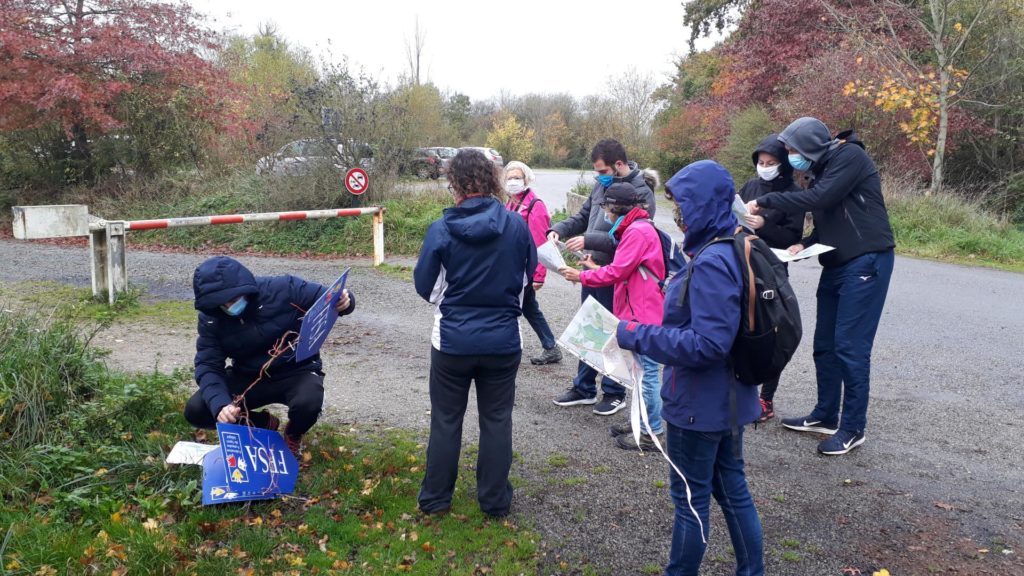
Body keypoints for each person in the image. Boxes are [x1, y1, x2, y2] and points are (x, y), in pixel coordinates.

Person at [618, 160, 764, 576]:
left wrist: (636, 334)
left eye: (683, 203)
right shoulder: (733, 244)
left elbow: (708, 344)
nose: (678, 213)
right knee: (732, 490)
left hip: (700, 403)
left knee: (691, 500)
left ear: (703, 204)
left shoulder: (714, 259)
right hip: (729, 397)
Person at [747, 117, 895, 455]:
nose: (791, 157)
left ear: (810, 146)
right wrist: (806, 242)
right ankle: (826, 415)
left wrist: (766, 201)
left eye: (792, 150)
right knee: (825, 345)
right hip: (836, 262)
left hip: (867, 261)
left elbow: (821, 197)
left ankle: (853, 428)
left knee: (851, 347)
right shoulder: (822, 169)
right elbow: (830, 219)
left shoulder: (850, 156)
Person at [413, 148, 536, 518]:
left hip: (453, 341)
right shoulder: (516, 226)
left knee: (446, 420)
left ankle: (436, 499)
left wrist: (454, 301)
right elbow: (526, 281)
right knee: (497, 420)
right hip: (502, 340)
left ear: (455, 183)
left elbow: (427, 288)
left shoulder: (441, 229)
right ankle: (495, 502)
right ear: (493, 179)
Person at [185, 256, 354, 456]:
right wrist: (221, 405)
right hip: (249, 377)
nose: (229, 307)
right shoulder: (211, 319)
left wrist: (346, 301)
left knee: (309, 402)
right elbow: (208, 365)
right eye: (223, 304)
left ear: (245, 289)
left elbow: (328, 298)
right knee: (198, 409)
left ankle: (293, 433)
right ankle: (261, 424)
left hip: (296, 370)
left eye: (233, 300)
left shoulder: (284, 288)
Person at [547, 138, 656, 416]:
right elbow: (583, 216)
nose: (599, 177)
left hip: (615, 275)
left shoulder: (641, 192)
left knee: (613, 331)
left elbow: (630, 239)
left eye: (603, 171)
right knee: (589, 327)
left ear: (618, 164)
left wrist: (589, 240)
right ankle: (584, 387)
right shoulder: (601, 186)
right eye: (596, 172)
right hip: (591, 269)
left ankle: (614, 391)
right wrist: (559, 228)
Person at [559, 182, 665, 451]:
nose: (605, 213)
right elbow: (625, 269)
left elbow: (617, 272)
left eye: (607, 208)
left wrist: (582, 275)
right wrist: (594, 267)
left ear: (615, 208)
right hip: (638, 309)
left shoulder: (637, 232)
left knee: (648, 376)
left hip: (643, 312)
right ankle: (641, 421)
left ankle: (651, 432)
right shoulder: (635, 228)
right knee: (639, 373)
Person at [737, 133, 805, 423]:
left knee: (771, 330)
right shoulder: (751, 186)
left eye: (771, 163)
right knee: (742, 327)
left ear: (783, 164)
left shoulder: (794, 193)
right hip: (744, 262)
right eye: (761, 162)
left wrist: (764, 224)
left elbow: (792, 237)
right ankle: (742, 391)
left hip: (773, 268)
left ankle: (766, 398)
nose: (764, 167)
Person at [504, 160, 562, 366]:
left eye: (517, 177)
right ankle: (550, 347)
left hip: (525, 269)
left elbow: (540, 243)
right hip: (511, 267)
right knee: (528, 307)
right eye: (510, 178)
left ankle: (506, 349)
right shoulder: (510, 202)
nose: (513, 181)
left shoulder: (535, 206)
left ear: (526, 180)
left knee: (514, 306)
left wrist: (538, 275)